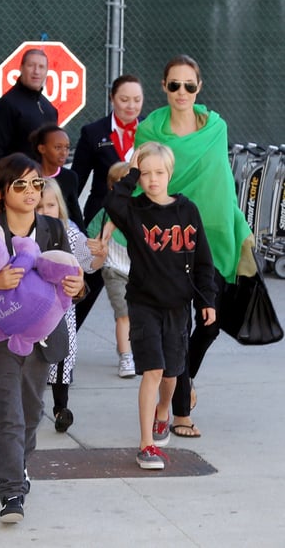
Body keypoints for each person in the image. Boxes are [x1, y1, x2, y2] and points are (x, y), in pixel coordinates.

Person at [0, 153, 85, 523]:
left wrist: (78, 286)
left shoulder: (52, 229)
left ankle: (19, 463)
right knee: (9, 415)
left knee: (32, 414)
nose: (31, 191)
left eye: (37, 184)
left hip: (42, 338)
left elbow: (72, 278)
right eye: (20, 185)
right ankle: (12, 491)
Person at [134, 55, 255, 438]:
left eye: (189, 85)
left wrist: (241, 226)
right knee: (180, 322)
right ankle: (181, 412)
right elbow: (143, 184)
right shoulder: (149, 130)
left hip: (214, 236)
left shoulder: (216, 127)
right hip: (167, 241)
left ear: (199, 87)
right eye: (174, 85)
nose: (182, 92)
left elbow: (223, 184)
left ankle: (180, 383)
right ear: (164, 87)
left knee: (208, 325)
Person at [104, 142, 217, 470]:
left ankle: (163, 412)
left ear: (170, 174)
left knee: (172, 372)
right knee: (152, 370)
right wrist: (132, 172)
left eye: (159, 172)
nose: (152, 179)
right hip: (143, 304)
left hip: (178, 306)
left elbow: (203, 260)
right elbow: (113, 202)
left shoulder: (187, 210)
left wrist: (207, 299)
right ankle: (146, 445)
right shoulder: (134, 210)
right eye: (145, 173)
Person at [71, 75, 144, 330]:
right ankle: (63, 339)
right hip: (99, 219)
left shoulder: (150, 131)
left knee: (141, 287)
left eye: (137, 100)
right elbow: (76, 179)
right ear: (112, 98)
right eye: (124, 99)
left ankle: (135, 350)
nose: (131, 106)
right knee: (87, 282)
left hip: (139, 220)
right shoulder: (93, 132)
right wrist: (72, 220)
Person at [36, 179, 105, 432]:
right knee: (31, 357)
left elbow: (88, 263)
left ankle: (60, 407)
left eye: (51, 205)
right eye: (40, 206)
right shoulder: (25, 232)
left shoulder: (68, 231)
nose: (45, 211)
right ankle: (25, 403)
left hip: (61, 307)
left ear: (60, 207)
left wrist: (100, 254)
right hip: (30, 307)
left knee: (64, 353)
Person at [87, 161, 135, 378]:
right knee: (123, 314)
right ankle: (126, 356)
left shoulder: (142, 210)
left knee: (139, 315)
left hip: (140, 272)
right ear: (110, 188)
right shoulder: (106, 213)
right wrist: (99, 246)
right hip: (115, 269)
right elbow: (91, 236)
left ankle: (134, 350)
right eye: (118, 183)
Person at [0, 49, 58, 178]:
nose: (36, 71)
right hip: (17, 185)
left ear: (46, 71)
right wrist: (1, 189)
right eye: (31, 65)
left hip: (45, 185)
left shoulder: (49, 108)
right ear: (21, 68)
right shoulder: (6, 106)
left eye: (41, 67)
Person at [30, 124, 86, 232]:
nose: (64, 152)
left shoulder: (70, 177)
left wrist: (84, 239)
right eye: (58, 147)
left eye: (67, 147)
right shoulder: (29, 176)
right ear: (42, 148)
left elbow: (75, 212)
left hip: (60, 232)